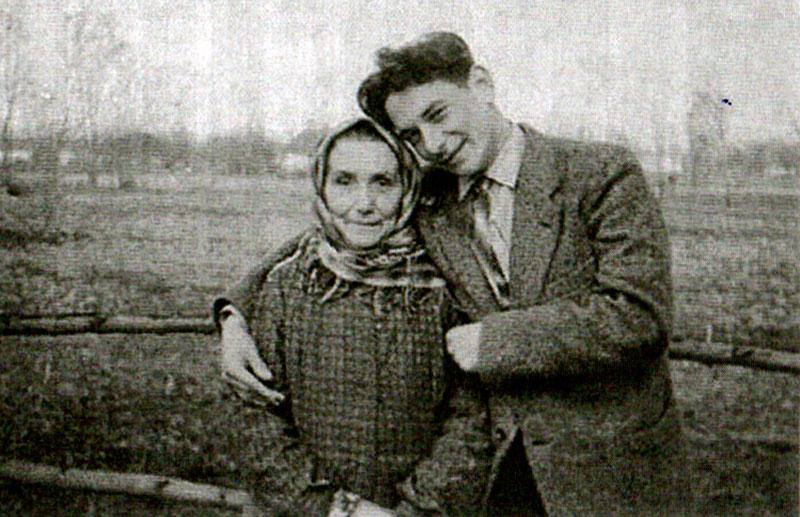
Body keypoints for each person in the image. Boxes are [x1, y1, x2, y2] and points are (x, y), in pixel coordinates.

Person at [356, 32, 693, 515]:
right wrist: (243, 312)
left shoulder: (600, 173)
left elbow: (639, 316)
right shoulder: (429, 203)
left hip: (614, 481)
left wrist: (496, 342)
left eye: (438, 114)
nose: (431, 144)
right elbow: (340, 228)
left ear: (481, 84)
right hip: (498, 483)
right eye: (411, 135)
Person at [214, 118, 492, 516]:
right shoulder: (286, 285)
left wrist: (418, 507)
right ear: (322, 187)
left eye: (382, 183)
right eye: (344, 182)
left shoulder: (445, 287)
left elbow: (472, 416)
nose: (363, 203)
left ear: (408, 189)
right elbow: (253, 416)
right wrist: (333, 507)